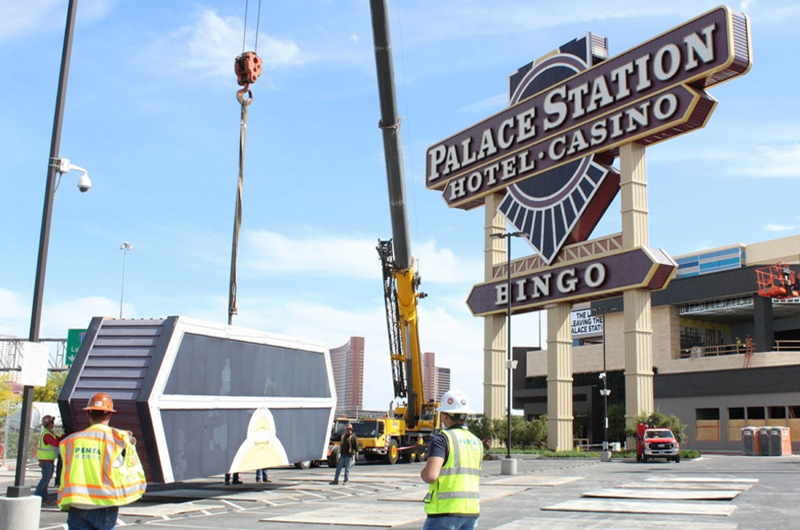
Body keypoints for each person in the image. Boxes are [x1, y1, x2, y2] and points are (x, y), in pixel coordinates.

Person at [58, 392, 146, 530]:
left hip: (77, 503)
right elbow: (132, 470)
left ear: (88, 414)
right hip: (105, 504)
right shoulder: (118, 440)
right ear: (109, 414)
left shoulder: (69, 442)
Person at [420, 390, 483, 530]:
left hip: (445, 511)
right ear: (465, 415)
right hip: (470, 511)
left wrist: (423, 473)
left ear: (445, 415)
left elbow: (430, 475)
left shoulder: (442, 439)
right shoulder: (477, 442)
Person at [34, 414, 63, 503]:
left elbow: (59, 440)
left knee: (46, 479)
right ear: (48, 424)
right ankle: (37, 495)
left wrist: (63, 435)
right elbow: (56, 443)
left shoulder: (50, 433)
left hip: (48, 460)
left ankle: (44, 498)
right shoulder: (47, 435)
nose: (53, 424)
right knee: (45, 479)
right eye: (52, 422)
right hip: (46, 461)